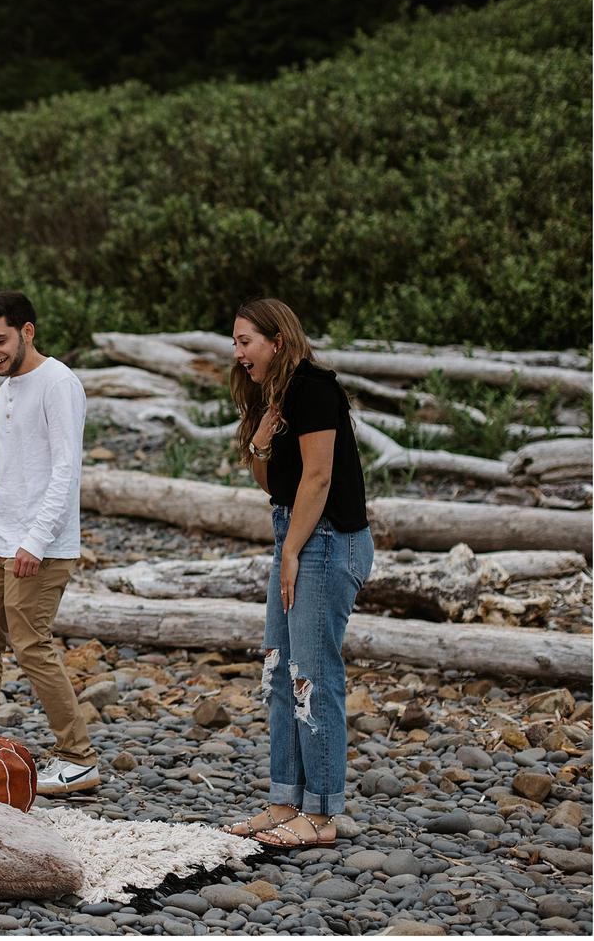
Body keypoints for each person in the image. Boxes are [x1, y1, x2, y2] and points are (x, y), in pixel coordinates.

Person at [222, 298, 374, 848]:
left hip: (328, 541)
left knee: (315, 675)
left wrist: (290, 553)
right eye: (235, 342)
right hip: (298, 531)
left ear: (278, 341)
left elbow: (318, 480)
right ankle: (286, 800)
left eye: (246, 341)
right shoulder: (274, 395)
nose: (238, 353)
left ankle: (323, 814)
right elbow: (274, 485)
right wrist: (261, 436)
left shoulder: (314, 388)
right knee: (280, 670)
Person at [0, 290, 99, 795]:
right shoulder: (6, 389)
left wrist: (35, 541)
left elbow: (66, 469)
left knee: (31, 645)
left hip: (41, 546)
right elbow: (10, 475)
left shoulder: (59, 383)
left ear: (27, 332)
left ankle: (78, 757)